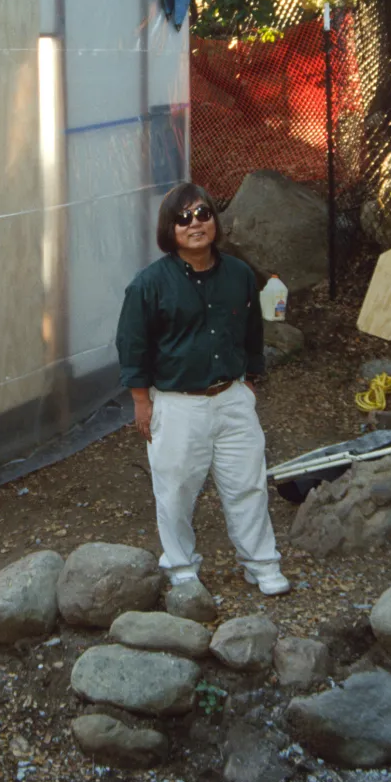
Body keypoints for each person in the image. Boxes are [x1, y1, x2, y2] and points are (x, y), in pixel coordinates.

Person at [115, 181, 290, 598]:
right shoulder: (149, 285)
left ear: (215, 218)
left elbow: (251, 331)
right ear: (169, 229)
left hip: (231, 398)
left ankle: (261, 564)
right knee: (175, 489)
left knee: (247, 483)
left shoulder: (239, 274)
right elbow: (132, 345)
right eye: (183, 218)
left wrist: (248, 381)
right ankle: (180, 567)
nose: (196, 224)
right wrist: (142, 401)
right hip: (177, 405)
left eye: (203, 214)